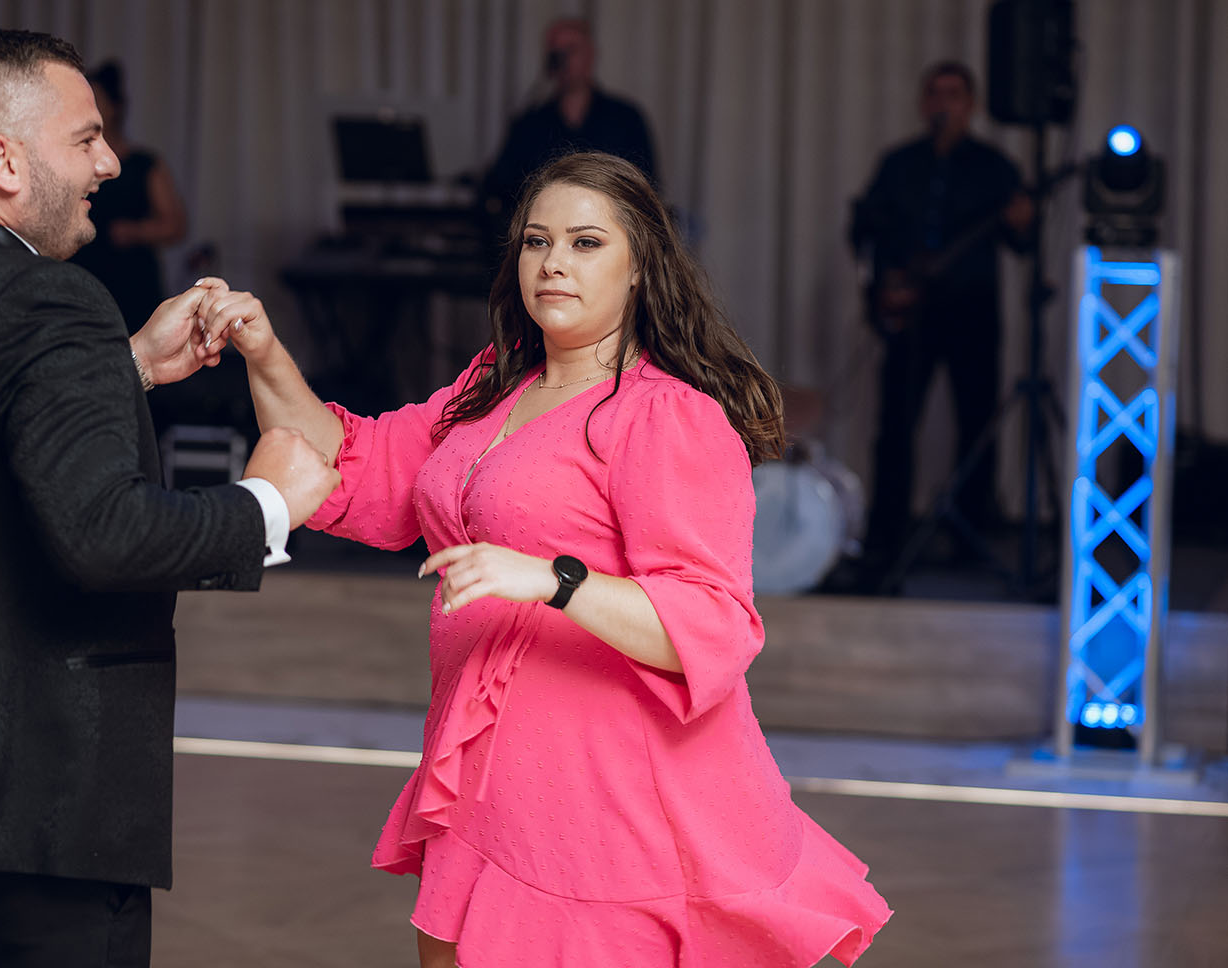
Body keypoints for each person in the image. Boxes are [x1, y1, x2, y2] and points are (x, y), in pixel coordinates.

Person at [215, 151, 891, 967]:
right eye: (536, 242)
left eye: (585, 242)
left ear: (640, 267)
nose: (553, 263)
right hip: (487, 770)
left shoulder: (667, 416)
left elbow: (712, 620)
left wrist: (554, 579)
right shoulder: (492, 385)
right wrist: (263, 353)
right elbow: (342, 463)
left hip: (603, 795)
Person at [0, 27, 337, 968]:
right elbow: (104, 535)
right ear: (5, 161)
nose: (110, 163)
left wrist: (124, 367)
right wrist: (265, 504)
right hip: (29, 794)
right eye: (85, 139)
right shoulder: (51, 299)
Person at [850, 61, 1033, 571]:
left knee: (976, 422)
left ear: (970, 105)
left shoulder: (995, 167)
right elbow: (865, 230)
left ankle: (969, 537)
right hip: (912, 315)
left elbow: (1023, 243)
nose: (943, 104)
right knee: (895, 424)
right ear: (923, 103)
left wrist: (1023, 223)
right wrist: (883, 285)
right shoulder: (899, 164)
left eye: (954, 94)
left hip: (972, 310)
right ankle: (886, 535)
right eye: (935, 93)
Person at [478, 18, 656, 243]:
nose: (562, 59)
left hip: (609, 239)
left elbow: (645, 188)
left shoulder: (626, 119)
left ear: (590, 55)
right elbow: (500, 188)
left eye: (570, 50)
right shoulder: (529, 124)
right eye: (555, 52)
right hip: (544, 237)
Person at [69, 60, 188, 335]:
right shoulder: (71, 160)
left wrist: (134, 232)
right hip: (82, 275)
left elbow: (175, 225)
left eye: (97, 101)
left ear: (116, 107)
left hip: (131, 281)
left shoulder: (144, 164)